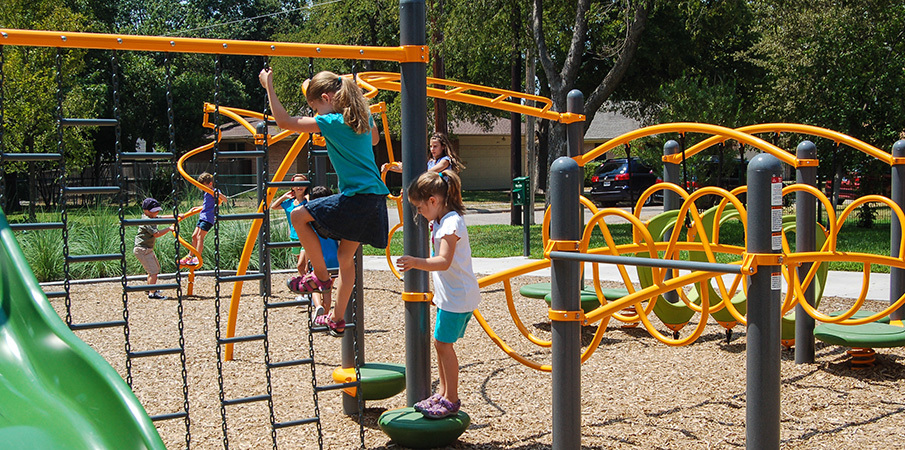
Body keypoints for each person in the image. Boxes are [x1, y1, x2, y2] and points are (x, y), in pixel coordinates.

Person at [259, 68, 389, 337]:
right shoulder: (361, 117)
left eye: (315, 106)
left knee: (298, 216)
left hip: (357, 198)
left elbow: (284, 121)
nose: (315, 112)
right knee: (344, 257)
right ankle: (337, 319)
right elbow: (374, 139)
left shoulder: (333, 122)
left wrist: (269, 86)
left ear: (328, 99)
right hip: (375, 199)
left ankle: (319, 276)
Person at [396, 170, 480, 419]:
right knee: (441, 343)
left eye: (419, 207)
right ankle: (444, 393)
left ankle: (451, 398)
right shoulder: (443, 221)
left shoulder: (451, 222)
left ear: (433, 200)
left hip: (458, 297)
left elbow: (444, 261)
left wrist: (415, 262)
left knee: (443, 344)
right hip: (453, 295)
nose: (419, 213)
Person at [304, 186, 340, 324]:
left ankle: (318, 306)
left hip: (319, 257)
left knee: (314, 286)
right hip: (334, 259)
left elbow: (308, 243)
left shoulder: (310, 220)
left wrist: (307, 260)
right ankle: (323, 317)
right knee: (328, 290)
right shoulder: (334, 219)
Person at [180, 172, 227, 266]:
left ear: (209, 184)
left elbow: (225, 200)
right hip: (203, 216)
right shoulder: (207, 192)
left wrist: (217, 194)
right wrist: (196, 208)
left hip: (208, 218)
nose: (201, 188)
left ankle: (198, 257)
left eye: (202, 185)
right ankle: (190, 256)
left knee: (199, 237)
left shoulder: (214, 191)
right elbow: (206, 206)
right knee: (194, 236)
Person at [134, 197, 175, 300]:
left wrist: (176, 216)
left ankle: (150, 288)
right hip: (142, 250)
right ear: (146, 211)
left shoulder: (150, 217)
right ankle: (152, 293)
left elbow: (162, 218)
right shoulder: (147, 221)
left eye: (157, 210)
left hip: (146, 249)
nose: (156, 212)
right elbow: (156, 234)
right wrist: (169, 229)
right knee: (153, 271)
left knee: (154, 269)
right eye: (154, 211)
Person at [270, 173, 309, 271]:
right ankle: (307, 283)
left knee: (301, 265)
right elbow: (273, 207)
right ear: (292, 186)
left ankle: (307, 283)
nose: (299, 186)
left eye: (302, 183)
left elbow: (314, 207)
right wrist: (284, 196)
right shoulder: (289, 203)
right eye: (297, 184)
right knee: (301, 266)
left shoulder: (307, 201)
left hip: (308, 236)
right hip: (294, 236)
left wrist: (308, 198)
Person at [381, 131, 464, 174]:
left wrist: (407, 169)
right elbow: (414, 171)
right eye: (431, 146)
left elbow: (429, 172)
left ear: (443, 147)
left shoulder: (445, 161)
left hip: (443, 197)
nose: (432, 149)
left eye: (435, 146)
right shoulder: (431, 162)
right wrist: (389, 167)